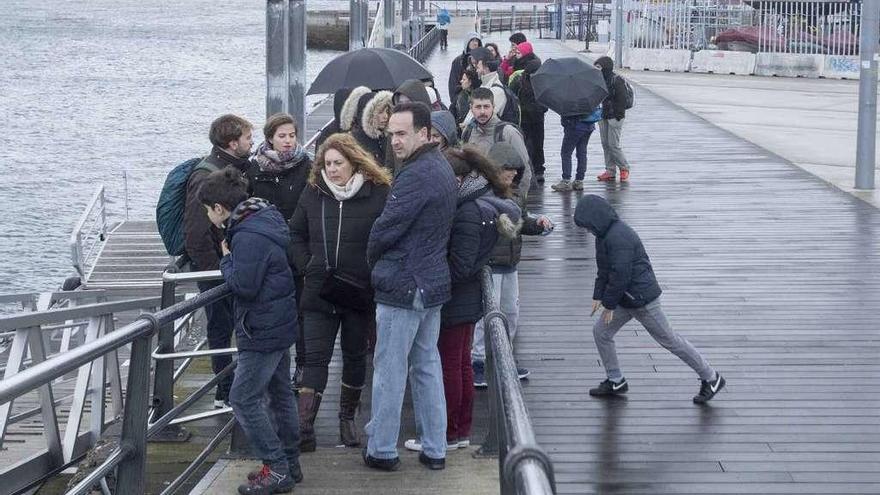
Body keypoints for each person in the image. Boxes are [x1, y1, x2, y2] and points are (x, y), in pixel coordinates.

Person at [404, 146, 519, 453]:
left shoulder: (468, 212)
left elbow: (461, 265)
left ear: (457, 179)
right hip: (465, 299)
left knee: (449, 365)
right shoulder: (473, 202)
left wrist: (430, 274)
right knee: (461, 365)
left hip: (456, 300)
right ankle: (460, 429)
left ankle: (449, 431)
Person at [363, 102, 457, 472]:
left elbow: (385, 228)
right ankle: (435, 447)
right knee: (426, 366)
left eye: (402, 134)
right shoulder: (441, 166)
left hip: (405, 284)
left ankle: (383, 449)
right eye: (391, 135)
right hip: (431, 284)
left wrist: (374, 262)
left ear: (424, 133)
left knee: (390, 369)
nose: (395, 141)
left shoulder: (415, 174)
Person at [198, 168, 301, 495]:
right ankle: (289, 463)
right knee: (281, 392)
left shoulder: (246, 234)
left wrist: (226, 259)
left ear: (218, 208)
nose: (207, 216)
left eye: (207, 209)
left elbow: (244, 284)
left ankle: (278, 467)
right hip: (278, 321)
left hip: (262, 328)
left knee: (242, 398)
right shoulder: (261, 217)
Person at [289, 133, 392, 452]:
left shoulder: (378, 193)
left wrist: (373, 270)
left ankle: (347, 419)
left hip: (358, 291)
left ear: (353, 162)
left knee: (355, 357)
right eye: (327, 164)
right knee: (315, 359)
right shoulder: (313, 191)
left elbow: (389, 237)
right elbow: (294, 233)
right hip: (319, 290)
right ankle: (304, 425)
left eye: (338, 163)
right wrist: (307, 265)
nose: (331, 170)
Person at [573, 195, 725, 403]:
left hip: (642, 300)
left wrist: (608, 305)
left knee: (670, 340)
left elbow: (621, 276)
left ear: (595, 219)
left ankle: (711, 377)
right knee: (601, 332)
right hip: (625, 299)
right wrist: (597, 296)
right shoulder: (603, 235)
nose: (587, 231)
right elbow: (604, 269)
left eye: (587, 226)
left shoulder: (619, 237)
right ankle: (615, 379)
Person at [183, 114, 253, 408]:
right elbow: (197, 234)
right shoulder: (205, 177)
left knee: (232, 324)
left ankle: (232, 386)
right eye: (248, 139)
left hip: (228, 264)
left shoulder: (232, 168)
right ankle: (224, 389)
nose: (252, 143)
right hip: (216, 269)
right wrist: (219, 273)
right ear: (232, 142)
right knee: (221, 326)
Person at [471, 142, 553, 388]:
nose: (513, 173)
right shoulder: (480, 195)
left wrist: (536, 225)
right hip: (489, 266)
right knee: (484, 317)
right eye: (508, 169)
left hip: (511, 265)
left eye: (516, 169)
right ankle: (477, 361)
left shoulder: (517, 194)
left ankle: (503, 357)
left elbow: (521, 223)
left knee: (510, 313)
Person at [461, 88, 531, 199]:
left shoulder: (508, 132)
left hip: (504, 199)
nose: (482, 111)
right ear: (471, 109)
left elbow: (525, 171)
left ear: (493, 107)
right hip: (476, 199)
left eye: (486, 106)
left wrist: (515, 201)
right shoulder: (467, 132)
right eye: (478, 107)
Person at [507, 43, 546, 184]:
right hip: (525, 118)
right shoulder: (519, 80)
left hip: (535, 117)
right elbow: (512, 96)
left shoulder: (538, 81)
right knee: (528, 143)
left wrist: (541, 108)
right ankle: (530, 168)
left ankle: (538, 169)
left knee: (536, 144)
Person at [594, 57, 631, 182]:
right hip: (603, 115)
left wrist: (619, 115)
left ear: (605, 67)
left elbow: (622, 99)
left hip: (615, 116)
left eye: (599, 67)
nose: (597, 70)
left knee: (613, 145)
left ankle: (624, 167)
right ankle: (610, 170)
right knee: (605, 144)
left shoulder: (616, 80)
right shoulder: (599, 80)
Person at [340, 86, 394, 169]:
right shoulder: (352, 141)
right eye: (380, 112)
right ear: (368, 115)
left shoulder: (387, 137)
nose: (385, 116)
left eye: (387, 111)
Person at [550, 107, 601, 192]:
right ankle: (579, 180)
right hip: (589, 125)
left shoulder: (572, 97)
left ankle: (566, 181)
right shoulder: (590, 95)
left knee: (566, 153)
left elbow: (567, 112)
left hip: (575, 126)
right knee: (582, 152)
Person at [462, 47, 507, 125]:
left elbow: (485, 117)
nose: (476, 70)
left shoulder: (496, 90)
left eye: (477, 65)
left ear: (485, 65)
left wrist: (466, 125)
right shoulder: (485, 84)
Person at [448, 33, 482, 109]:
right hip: (462, 97)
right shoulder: (458, 61)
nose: (475, 43)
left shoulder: (482, 60)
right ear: (467, 43)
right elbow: (453, 82)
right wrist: (455, 100)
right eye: (472, 40)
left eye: (477, 41)